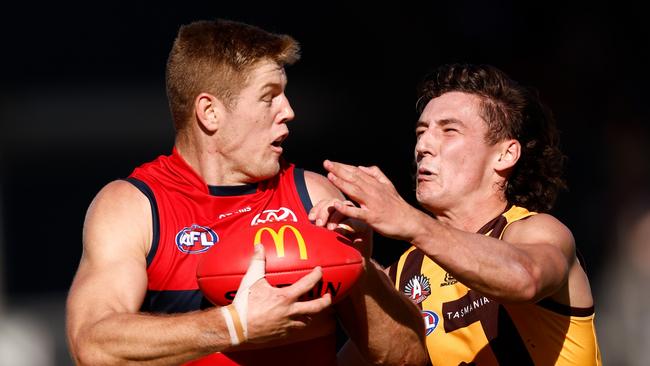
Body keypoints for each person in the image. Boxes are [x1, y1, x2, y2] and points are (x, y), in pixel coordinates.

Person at [65, 19, 427, 366]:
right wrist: (235, 325)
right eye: (269, 97)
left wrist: (359, 266)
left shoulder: (313, 197)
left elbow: (407, 355)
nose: (289, 111)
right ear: (210, 112)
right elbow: (92, 345)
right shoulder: (135, 206)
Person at [310, 63, 602, 365]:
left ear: (505, 154)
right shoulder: (402, 275)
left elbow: (524, 278)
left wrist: (409, 221)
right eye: (421, 132)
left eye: (449, 130)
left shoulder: (536, 230)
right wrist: (354, 259)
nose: (423, 145)